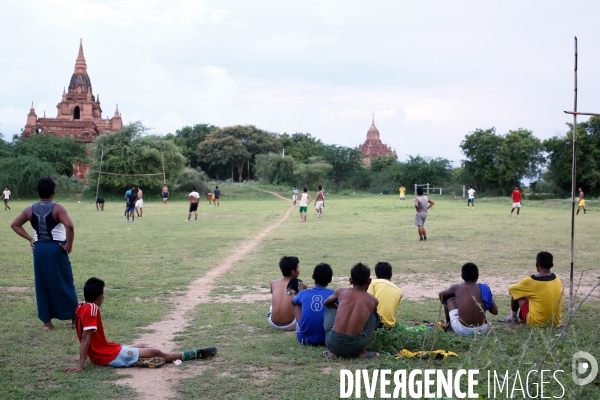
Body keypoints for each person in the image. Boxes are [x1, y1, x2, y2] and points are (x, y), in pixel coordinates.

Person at [64, 277, 217, 373]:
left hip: (109, 350)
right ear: (100, 297)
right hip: (108, 356)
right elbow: (85, 338)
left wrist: (84, 356)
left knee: (143, 345)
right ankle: (196, 353)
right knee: (157, 352)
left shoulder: (81, 306)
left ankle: (136, 359)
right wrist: (81, 364)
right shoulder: (93, 308)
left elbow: (81, 333)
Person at [10, 177, 78, 330]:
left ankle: (47, 323)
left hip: (39, 249)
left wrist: (30, 239)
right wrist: (69, 246)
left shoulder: (29, 209)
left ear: (38, 192)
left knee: (42, 284)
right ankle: (74, 319)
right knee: (65, 282)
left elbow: (15, 225)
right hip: (57, 248)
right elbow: (70, 226)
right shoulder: (57, 208)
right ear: (53, 193)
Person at [323, 263, 380, 358]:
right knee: (374, 315)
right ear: (369, 281)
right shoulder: (373, 300)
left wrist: (338, 308)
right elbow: (370, 318)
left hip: (333, 344)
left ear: (350, 280)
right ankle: (362, 352)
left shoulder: (341, 291)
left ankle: (333, 353)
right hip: (356, 347)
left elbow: (326, 303)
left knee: (330, 311)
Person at [500, 251, 563, 327]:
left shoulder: (531, 281)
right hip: (555, 322)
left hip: (536, 323)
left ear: (537, 264)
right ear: (552, 265)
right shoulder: (557, 279)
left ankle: (513, 317)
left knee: (517, 293)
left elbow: (511, 290)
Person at [438, 263, 498, 336]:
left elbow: (441, 295)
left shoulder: (457, 287)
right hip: (482, 329)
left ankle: (448, 323)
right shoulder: (484, 289)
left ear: (462, 276)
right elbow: (495, 312)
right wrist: (487, 296)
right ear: (477, 276)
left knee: (449, 298)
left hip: (462, 330)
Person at [291, 263, 334, 345]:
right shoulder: (333, 294)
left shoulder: (303, 293)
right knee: (335, 307)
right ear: (330, 279)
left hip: (304, 339)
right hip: (327, 339)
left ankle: (300, 324)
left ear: (313, 276)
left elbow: (293, 302)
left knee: (297, 303)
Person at [267, 256, 307, 331]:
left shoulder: (273, 283)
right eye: (298, 267)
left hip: (272, 323)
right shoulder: (301, 285)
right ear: (293, 271)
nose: (299, 270)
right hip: (291, 324)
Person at [367, 262, 403, 329]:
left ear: (376, 275)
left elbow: (368, 302)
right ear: (391, 275)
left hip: (375, 324)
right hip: (390, 326)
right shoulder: (399, 291)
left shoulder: (373, 282)